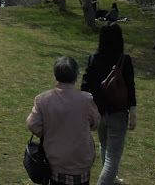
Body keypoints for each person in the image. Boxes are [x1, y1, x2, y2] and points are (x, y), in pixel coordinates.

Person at [27, 55, 101, 185]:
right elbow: (95, 124)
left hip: (55, 162)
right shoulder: (86, 100)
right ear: (76, 76)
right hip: (81, 162)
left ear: (56, 75)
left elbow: (33, 125)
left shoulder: (43, 99)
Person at [82, 23, 137, 185]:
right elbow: (130, 87)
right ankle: (107, 180)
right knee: (113, 156)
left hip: (98, 113)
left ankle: (111, 180)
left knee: (105, 146)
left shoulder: (94, 58)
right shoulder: (124, 60)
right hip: (118, 114)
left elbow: (85, 86)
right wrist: (133, 113)